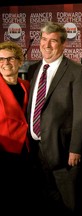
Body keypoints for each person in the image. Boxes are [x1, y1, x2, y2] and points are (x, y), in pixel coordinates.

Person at [27, 21, 82, 216]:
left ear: (63, 44)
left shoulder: (76, 71)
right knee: (44, 200)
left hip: (63, 150)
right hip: (35, 149)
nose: (47, 45)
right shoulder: (33, 70)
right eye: (44, 40)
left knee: (69, 202)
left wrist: (75, 148)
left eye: (53, 41)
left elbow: (81, 112)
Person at [0, 41, 32, 214]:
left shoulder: (26, 86)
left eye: (11, 58)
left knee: (23, 198)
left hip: (25, 151)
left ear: (20, 61)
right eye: (1, 59)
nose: (5, 63)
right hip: (4, 153)